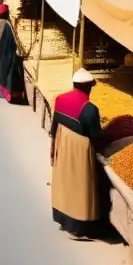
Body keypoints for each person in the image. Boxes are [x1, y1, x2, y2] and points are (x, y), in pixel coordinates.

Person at [50, 69, 104, 239]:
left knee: (65, 183)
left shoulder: (60, 99)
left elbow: (54, 125)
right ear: (88, 87)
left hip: (63, 143)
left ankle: (62, 218)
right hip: (80, 151)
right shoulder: (89, 109)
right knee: (81, 187)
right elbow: (96, 137)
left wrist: (54, 147)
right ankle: (80, 227)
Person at [0, 4, 26, 104]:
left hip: (3, 53)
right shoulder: (10, 23)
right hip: (11, 52)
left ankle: (8, 95)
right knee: (11, 74)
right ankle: (14, 96)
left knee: (4, 73)